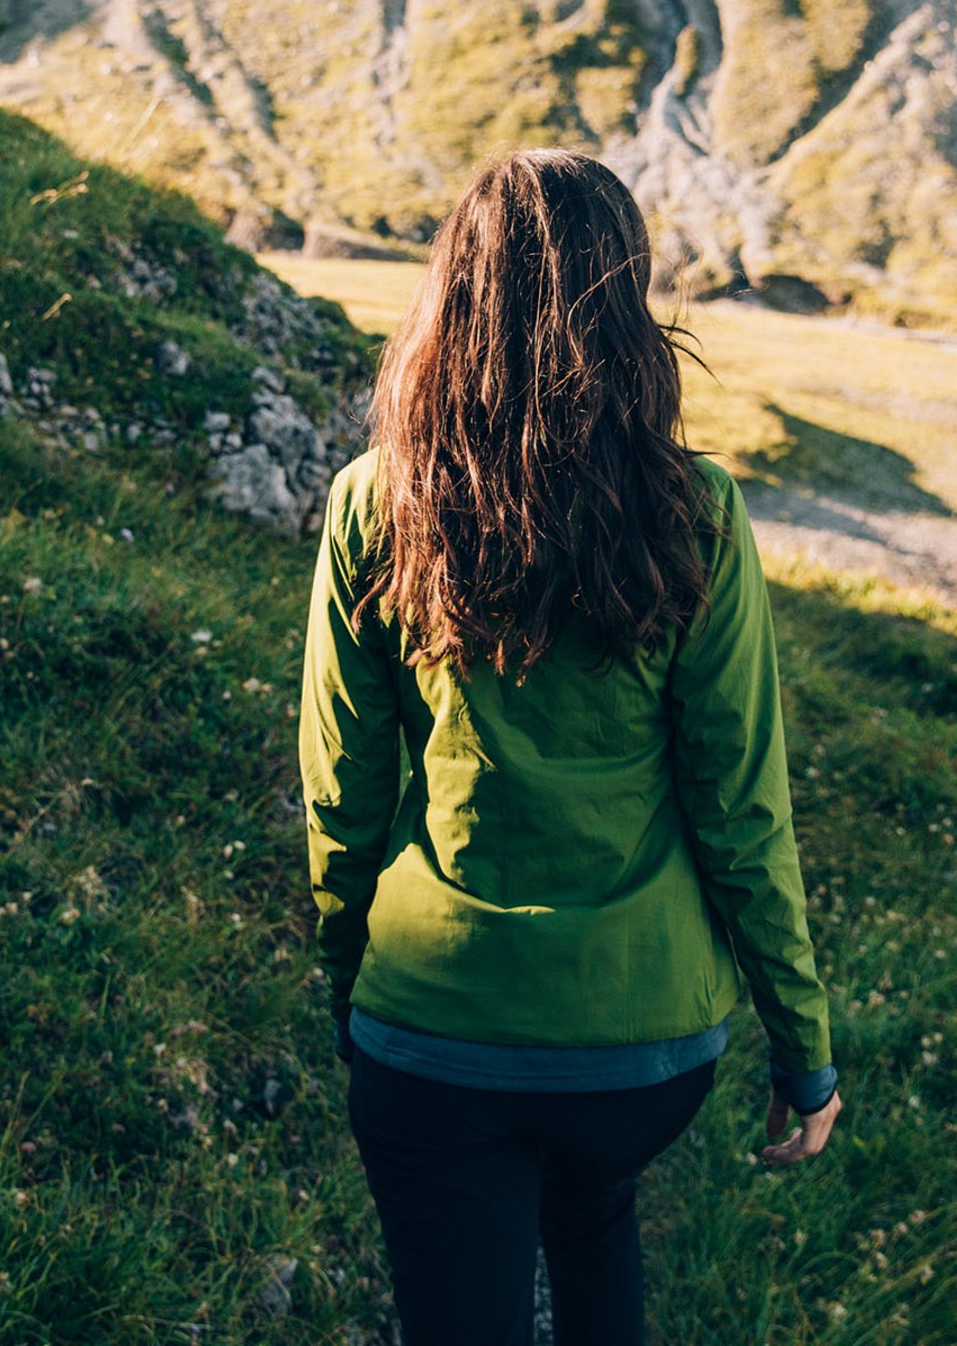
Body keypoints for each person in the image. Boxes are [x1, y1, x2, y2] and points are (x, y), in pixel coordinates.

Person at [297, 149, 840, 1346]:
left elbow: (343, 791)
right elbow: (742, 807)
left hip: (430, 1024)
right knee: (594, 1217)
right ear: (626, 299)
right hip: (641, 1054)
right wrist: (805, 1051)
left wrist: (358, 989)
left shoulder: (375, 500)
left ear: (453, 295)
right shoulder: (695, 514)